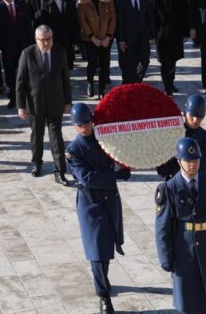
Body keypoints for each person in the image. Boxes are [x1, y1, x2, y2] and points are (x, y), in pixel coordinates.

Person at [154, 137, 206, 314]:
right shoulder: (169, 188)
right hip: (184, 247)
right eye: (187, 160)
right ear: (179, 161)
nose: (192, 164)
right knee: (188, 297)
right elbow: (162, 227)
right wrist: (165, 257)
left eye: (195, 160)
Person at [65, 102, 129, 314]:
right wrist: (115, 176)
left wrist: (125, 164)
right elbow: (87, 178)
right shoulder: (74, 150)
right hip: (90, 203)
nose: (86, 128)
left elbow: (118, 149)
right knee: (97, 250)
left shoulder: (104, 138)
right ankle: (103, 296)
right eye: (81, 125)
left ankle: (102, 281)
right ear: (75, 126)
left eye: (88, 123)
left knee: (107, 247)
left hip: (110, 200)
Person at [16, 25, 72, 183]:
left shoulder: (60, 52)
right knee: (37, 135)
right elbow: (20, 82)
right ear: (36, 39)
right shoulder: (28, 53)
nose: (47, 43)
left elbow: (65, 79)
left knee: (56, 137)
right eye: (43, 40)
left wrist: (68, 101)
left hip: (56, 102)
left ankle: (60, 171)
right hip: (35, 103)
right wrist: (21, 106)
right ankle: (37, 163)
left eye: (49, 39)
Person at [156, 94, 206, 179]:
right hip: (173, 182)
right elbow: (162, 170)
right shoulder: (172, 134)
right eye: (192, 115)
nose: (195, 120)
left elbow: (203, 169)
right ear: (184, 114)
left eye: (199, 117)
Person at [0, 0, 33, 109]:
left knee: (24, 72)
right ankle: (12, 98)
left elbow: (28, 26)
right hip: (7, 48)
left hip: (23, 47)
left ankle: (26, 97)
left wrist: (31, 45)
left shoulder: (22, 5)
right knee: (10, 74)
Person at [148, 0, 188, 96]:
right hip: (162, 34)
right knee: (165, 62)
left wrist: (185, 34)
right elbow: (151, 19)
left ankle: (171, 83)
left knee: (173, 60)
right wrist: (152, 36)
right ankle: (167, 86)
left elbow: (186, 16)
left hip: (176, 33)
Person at [77, 0, 115, 98]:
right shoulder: (83, 0)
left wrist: (108, 36)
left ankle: (102, 88)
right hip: (90, 39)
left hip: (104, 38)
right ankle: (90, 83)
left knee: (104, 64)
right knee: (92, 63)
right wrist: (92, 37)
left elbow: (113, 18)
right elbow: (82, 20)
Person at [116, 0, 152, 84]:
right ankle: (131, 84)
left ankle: (136, 81)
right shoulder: (122, 1)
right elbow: (120, 22)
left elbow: (150, 19)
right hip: (128, 39)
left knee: (145, 61)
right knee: (130, 65)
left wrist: (153, 36)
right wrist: (121, 40)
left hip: (143, 38)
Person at [39, 0, 77, 70]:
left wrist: (75, 38)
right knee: (54, 64)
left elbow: (74, 20)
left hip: (67, 38)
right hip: (53, 38)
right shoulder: (45, 2)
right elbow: (43, 22)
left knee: (66, 63)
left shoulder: (68, 1)